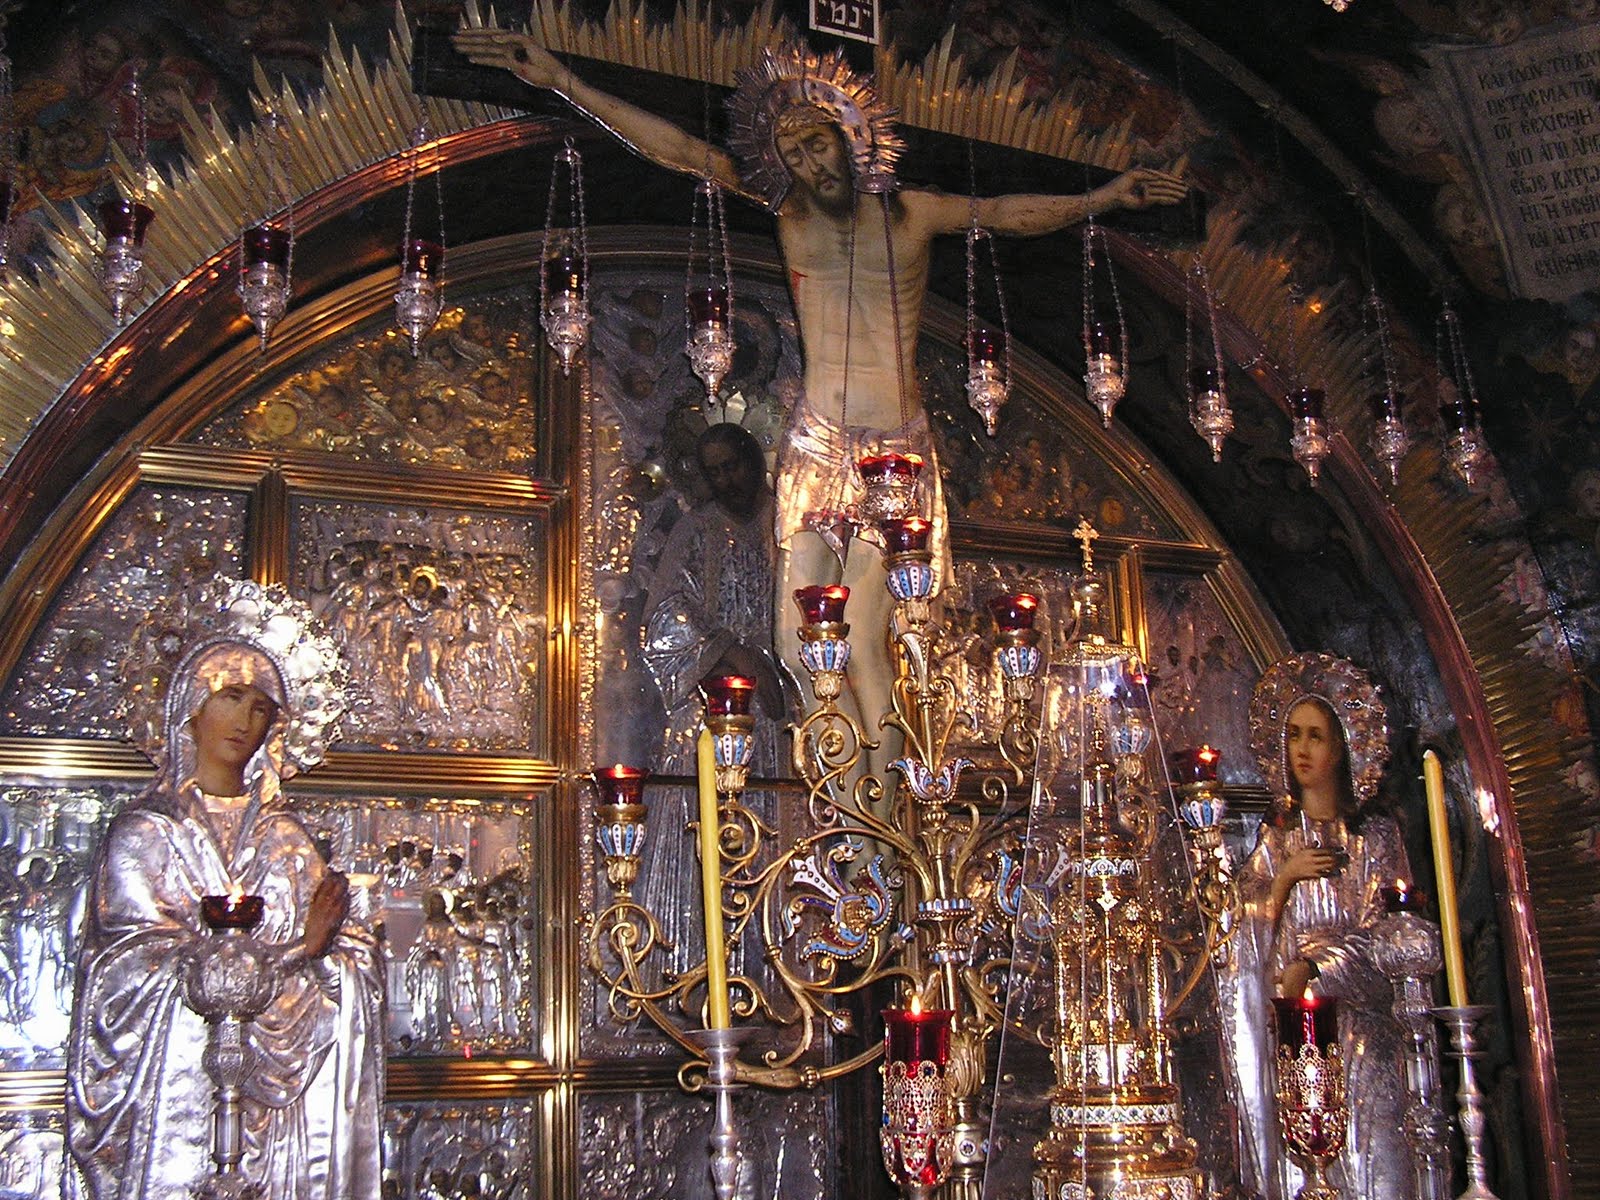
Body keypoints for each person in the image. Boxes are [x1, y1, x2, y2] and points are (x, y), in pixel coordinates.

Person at [453, 31, 1187, 776]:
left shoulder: (911, 215)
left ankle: (883, 815)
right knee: (796, 639)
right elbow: (678, 150)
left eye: (819, 145)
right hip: (816, 440)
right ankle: (847, 803)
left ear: (851, 138)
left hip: (893, 449)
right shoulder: (790, 216)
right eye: (794, 155)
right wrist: (564, 81)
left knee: (865, 639)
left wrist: (1103, 198)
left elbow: (1004, 212)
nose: (812, 166)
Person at [66, 579, 383, 1200]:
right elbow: (126, 977)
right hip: (180, 1100)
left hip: (285, 1115)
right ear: (190, 705)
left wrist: (335, 955)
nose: (246, 721)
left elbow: (350, 959)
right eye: (231, 697)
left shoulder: (286, 839)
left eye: (262, 708)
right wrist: (295, 952)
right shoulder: (146, 835)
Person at [1230, 653, 1414, 1200]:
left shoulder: (1373, 839)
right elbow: (1236, 936)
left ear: (1341, 748)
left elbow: (1391, 942)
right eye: (1293, 735)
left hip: (1363, 1042)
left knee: (1373, 1167)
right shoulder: (1275, 843)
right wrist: (1285, 877)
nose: (1302, 749)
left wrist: (1313, 967)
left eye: (1315, 736)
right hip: (1294, 1042)